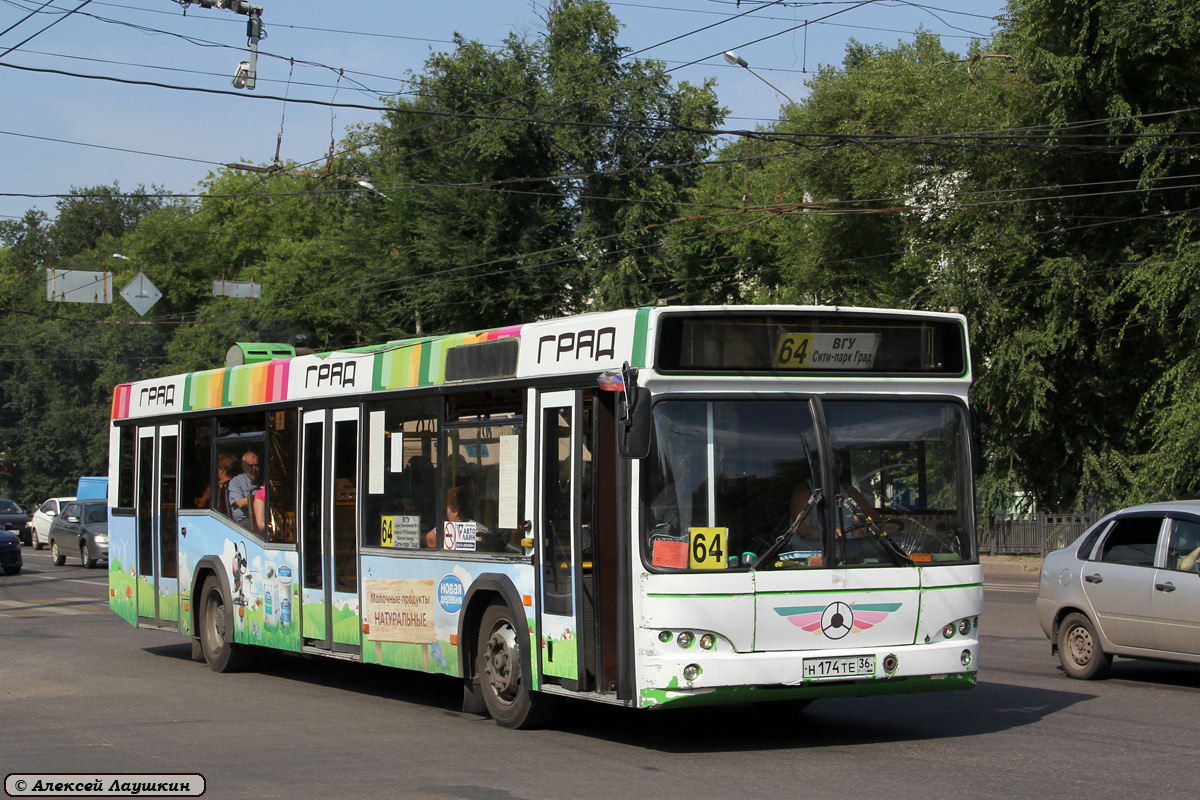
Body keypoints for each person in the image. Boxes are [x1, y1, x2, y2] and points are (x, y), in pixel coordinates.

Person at [227, 449, 262, 529]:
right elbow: (240, 502)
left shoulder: (264, 481)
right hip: (244, 522)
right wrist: (261, 495)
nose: (254, 469)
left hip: (263, 518)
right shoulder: (236, 482)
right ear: (243, 467)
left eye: (256, 466)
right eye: (251, 466)